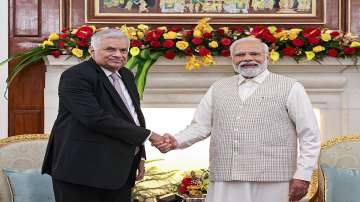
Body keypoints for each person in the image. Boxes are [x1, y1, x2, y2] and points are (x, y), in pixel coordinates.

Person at [154, 37, 321, 202]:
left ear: (267, 57)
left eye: (254, 53)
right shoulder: (218, 87)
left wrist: (304, 174)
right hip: (226, 178)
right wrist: (175, 141)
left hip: (274, 179)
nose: (247, 58)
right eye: (240, 55)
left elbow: (310, 134)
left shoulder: (291, 87)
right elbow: (200, 126)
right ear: (232, 59)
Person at [42, 29, 164, 202]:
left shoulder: (126, 75)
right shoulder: (76, 76)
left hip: (120, 170)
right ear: (92, 51)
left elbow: (133, 117)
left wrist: (139, 154)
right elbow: (94, 118)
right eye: (110, 49)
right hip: (81, 172)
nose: (118, 55)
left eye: (123, 50)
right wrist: (149, 136)